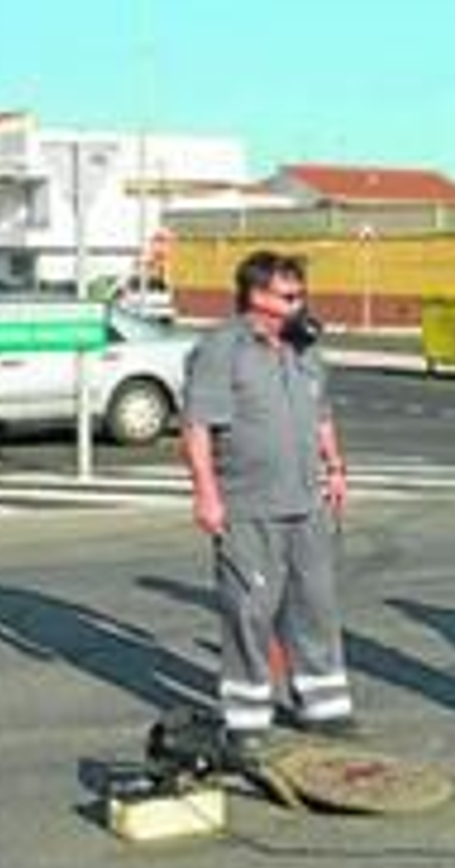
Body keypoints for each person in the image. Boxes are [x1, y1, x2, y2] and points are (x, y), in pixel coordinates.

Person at [181, 250, 357, 752]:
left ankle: (323, 706)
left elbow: (322, 414)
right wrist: (206, 495)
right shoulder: (222, 348)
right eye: (290, 296)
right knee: (250, 610)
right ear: (258, 296)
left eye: (301, 294)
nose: (300, 304)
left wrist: (335, 468)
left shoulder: (304, 348)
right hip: (248, 503)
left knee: (315, 605)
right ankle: (247, 715)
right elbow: (197, 426)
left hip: (306, 501)